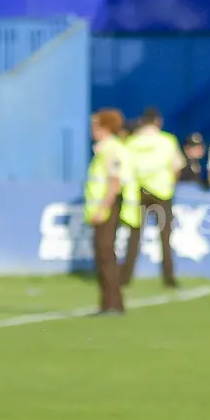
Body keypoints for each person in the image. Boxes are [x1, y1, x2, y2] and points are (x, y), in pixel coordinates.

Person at [121, 107, 186, 288]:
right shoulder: (167, 141)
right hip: (162, 193)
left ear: (142, 121)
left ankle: (126, 276)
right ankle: (169, 277)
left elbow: (125, 168)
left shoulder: (131, 143)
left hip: (138, 192)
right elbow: (176, 166)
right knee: (165, 237)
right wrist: (170, 183)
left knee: (134, 237)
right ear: (158, 121)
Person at [85, 109, 140, 315]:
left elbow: (114, 182)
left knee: (106, 255)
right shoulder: (106, 149)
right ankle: (108, 303)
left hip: (107, 209)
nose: (92, 129)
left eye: (96, 125)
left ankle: (112, 304)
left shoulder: (111, 150)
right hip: (104, 209)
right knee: (104, 255)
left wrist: (102, 209)